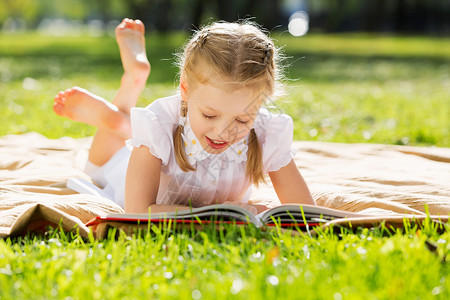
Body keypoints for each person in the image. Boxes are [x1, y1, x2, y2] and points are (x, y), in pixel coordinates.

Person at [53, 18, 315, 214]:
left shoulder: (268, 133)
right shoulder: (159, 126)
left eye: (242, 120)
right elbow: (138, 211)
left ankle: (123, 122)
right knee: (101, 160)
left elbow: (307, 213)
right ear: (185, 90)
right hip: (125, 170)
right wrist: (217, 215)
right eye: (210, 115)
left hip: (164, 133)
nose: (223, 132)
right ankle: (132, 82)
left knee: (130, 128)